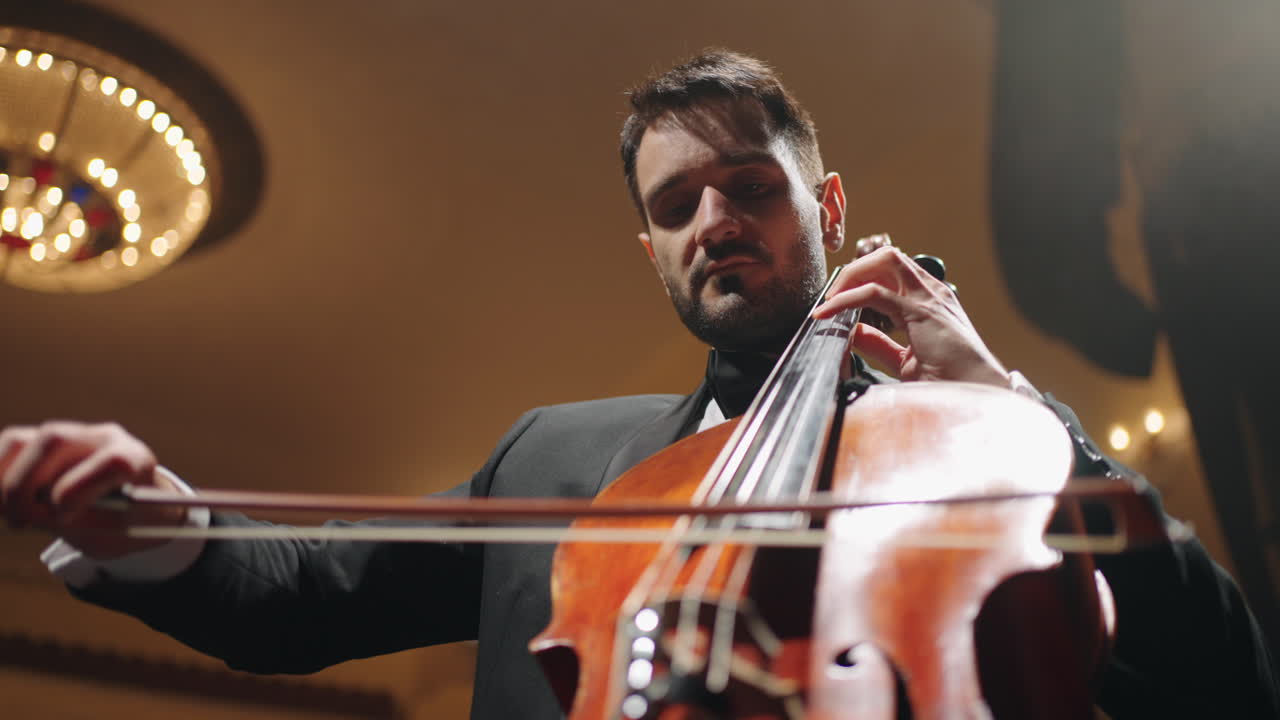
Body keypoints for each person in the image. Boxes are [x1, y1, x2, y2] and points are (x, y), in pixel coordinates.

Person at [1, 50, 1275, 719]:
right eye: (678, 205)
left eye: (752, 188)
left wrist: (1013, 411)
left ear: (824, 205)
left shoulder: (968, 462)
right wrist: (152, 527)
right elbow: (304, 600)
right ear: (652, 246)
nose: (715, 220)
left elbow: (1220, 685)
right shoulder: (555, 461)